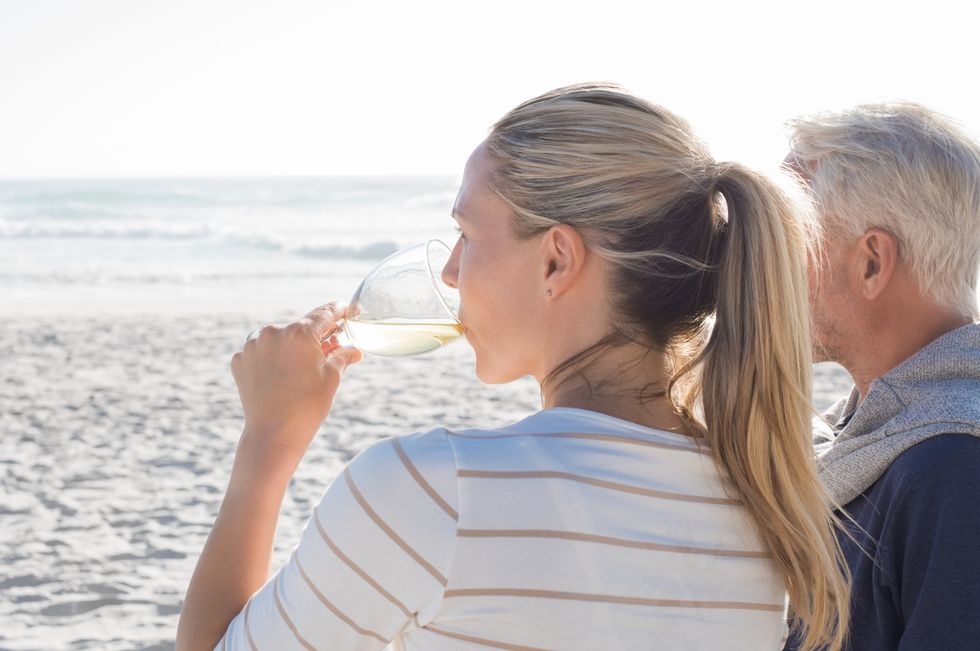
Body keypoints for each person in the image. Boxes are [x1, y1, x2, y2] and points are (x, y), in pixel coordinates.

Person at [177, 84, 849, 651]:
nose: (448, 269)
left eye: (467, 235)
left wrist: (269, 440)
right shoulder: (769, 496)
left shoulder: (433, 492)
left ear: (556, 259)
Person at [783, 102, 980, 650]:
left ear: (871, 262)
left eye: (787, 240)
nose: (764, 270)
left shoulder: (950, 470)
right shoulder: (868, 444)